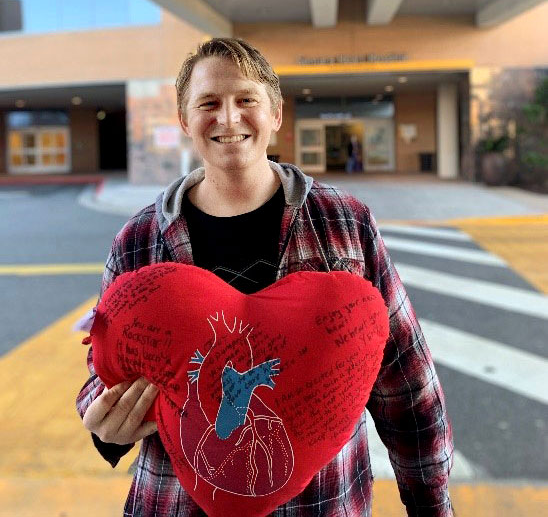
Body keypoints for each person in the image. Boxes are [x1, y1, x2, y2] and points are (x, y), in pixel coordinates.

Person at [77, 38, 454, 516]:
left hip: (324, 503)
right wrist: (105, 426)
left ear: (276, 114)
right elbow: (102, 368)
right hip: (176, 501)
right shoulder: (138, 239)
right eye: (208, 103)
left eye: (246, 101)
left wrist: (432, 504)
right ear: (185, 120)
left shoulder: (343, 221)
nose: (228, 119)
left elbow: (406, 379)